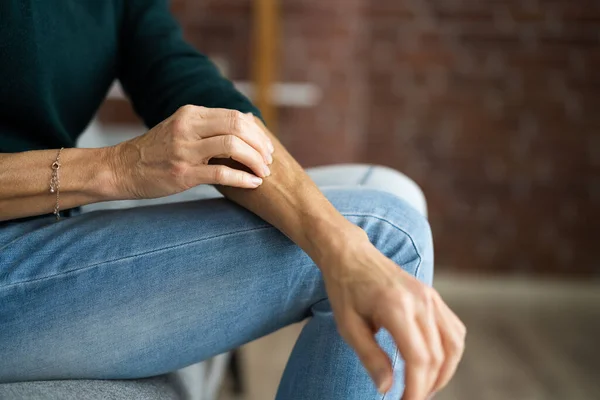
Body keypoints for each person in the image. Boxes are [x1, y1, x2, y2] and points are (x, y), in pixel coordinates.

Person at [0, 1, 465, 399]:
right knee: (388, 237)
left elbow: (185, 82)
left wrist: (341, 244)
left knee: (389, 196)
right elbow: (123, 165)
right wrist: (117, 167)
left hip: (47, 228)